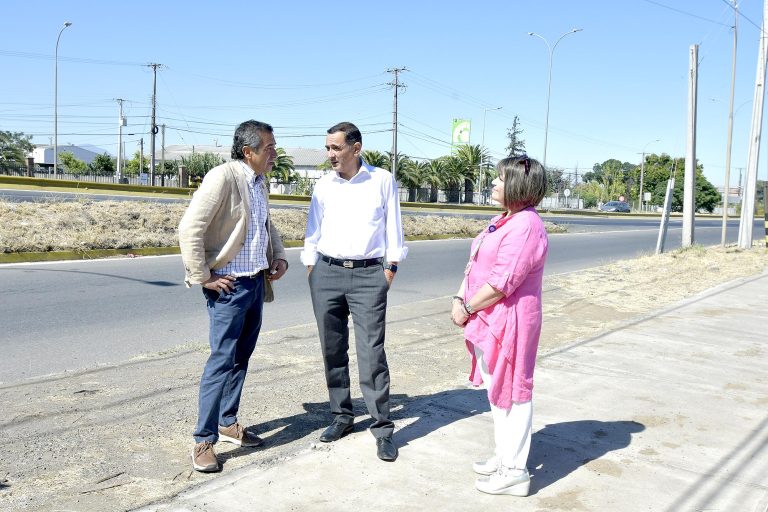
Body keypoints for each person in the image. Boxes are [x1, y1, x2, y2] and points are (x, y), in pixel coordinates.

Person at [178, 120, 288, 472]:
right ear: (248, 151)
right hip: (229, 287)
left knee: (241, 357)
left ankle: (228, 422)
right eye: (268, 148)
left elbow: (265, 225)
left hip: (255, 283)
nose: (274, 153)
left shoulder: (259, 182)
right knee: (221, 361)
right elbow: (190, 227)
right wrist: (202, 276)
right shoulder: (223, 177)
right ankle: (203, 440)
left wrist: (279, 255)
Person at [301, 121, 407, 461]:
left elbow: (394, 226)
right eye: (328, 148)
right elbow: (312, 229)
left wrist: (390, 269)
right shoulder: (323, 185)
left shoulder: (381, 180)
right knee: (332, 350)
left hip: (368, 276)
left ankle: (382, 428)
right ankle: (342, 416)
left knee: (372, 354)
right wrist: (311, 267)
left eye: (336, 148)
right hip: (326, 272)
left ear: (356, 148)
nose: (330, 154)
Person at [451, 154, 548, 496]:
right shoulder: (505, 220)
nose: (493, 183)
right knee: (497, 392)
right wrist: (459, 297)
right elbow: (475, 264)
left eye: (500, 179)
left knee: (514, 393)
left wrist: (466, 306)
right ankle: (504, 455)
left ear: (519, 185)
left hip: (511, 320)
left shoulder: (526, 226)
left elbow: (501, 282)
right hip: (489, 318)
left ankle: (515, 471)